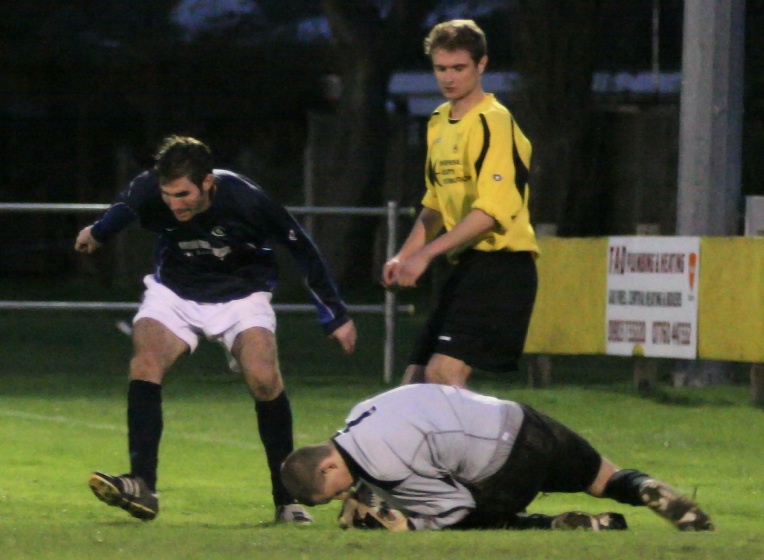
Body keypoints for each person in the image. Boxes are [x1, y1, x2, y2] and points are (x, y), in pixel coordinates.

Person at [74, 135, 357, 524]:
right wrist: (98, 232)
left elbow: (302, 248)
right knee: (145, 363)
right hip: (176, 292)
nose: (174, 204)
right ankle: (143, 485)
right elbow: (123, 209)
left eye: (183, 194)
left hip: (241, 296)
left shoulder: (246, 199)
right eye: (167, 195)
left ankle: (285, 500)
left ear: (208, 182)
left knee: (263, 378)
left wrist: (335, 315)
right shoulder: (149, 190)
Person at [281, 384, 714, 532]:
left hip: (505, 465)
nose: (341, 498)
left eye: (331, 495)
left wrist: (411, 524)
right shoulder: (359, 413)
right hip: (519, 417)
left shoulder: (381, 467)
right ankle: (644, 488)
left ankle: (551, 525)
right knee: (603, 478)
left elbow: (455, 506)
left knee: (465, 518)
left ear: (328, 467)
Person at [382, 19, 539, 387]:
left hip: (503, 266)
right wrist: (403, 256)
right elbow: (434, 204)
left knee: (444, 374)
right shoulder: (438, 121)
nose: (448, 78)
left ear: (481, 65)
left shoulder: (494, 122)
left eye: (459, 68)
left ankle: (501, 443)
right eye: (441, 69)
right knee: (414, 385)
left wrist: (427, 255)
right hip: (467, 265)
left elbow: (489, 214)